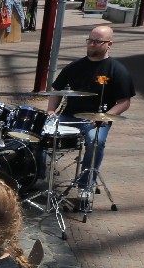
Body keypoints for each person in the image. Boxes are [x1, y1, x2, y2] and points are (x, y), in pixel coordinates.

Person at [46, 24, 134, 192]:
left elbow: (124, 102)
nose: (92, 44)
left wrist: (105, 117)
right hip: (68, 117)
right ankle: (38, 175)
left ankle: (85, 186)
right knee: (39, 131)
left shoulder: (117, 70)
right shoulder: (74, 66)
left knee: (96, 142)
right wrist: (51, 111)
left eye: (97, 41)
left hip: (96, 121)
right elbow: (56, 91)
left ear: (109, 44)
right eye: (90, 40)